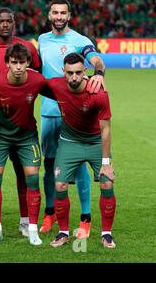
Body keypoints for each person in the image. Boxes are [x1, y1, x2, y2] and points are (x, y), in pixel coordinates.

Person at [38, 0, 106, 237]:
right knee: (49, 165)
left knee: (78, 165)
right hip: (49, 111)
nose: (59, 16)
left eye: (63, 13)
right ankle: (50, 214)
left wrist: (98, 72)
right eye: (55, 12)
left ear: (69, 15)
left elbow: (95, 59)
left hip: (75, 114)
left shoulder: (80, 40)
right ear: (49, 15)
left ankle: (85, 217)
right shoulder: (42, 41)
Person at [0, 7, 41, 238]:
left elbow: (37, 76)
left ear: (14, 22)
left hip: (21, 121)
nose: (5, 24)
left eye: (8, 21)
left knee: (24, 172)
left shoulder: (28, 47)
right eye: (0, 21)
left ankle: (25, 221)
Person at [46, 53, 116, 249]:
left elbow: (106, 129)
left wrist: (105, 164)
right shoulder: (55, 85)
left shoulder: (98, 92)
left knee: (107, 184)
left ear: (85, 71)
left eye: (78, 72)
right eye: (70, 73)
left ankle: (107, 234)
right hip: (70, 141)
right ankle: (63, 232)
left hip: (95, 141)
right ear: (63, 72)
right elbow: (30, 81)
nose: (74, 77)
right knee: (60, 185)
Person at [0, 43, 45, 246]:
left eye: (22, 63)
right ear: (7, 63)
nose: (18, 67)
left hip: (26, 137)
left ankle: (32, 228)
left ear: (28, 63)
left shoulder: (37, 80)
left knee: (33, 180)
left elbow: (61, 91)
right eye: (14, 62)